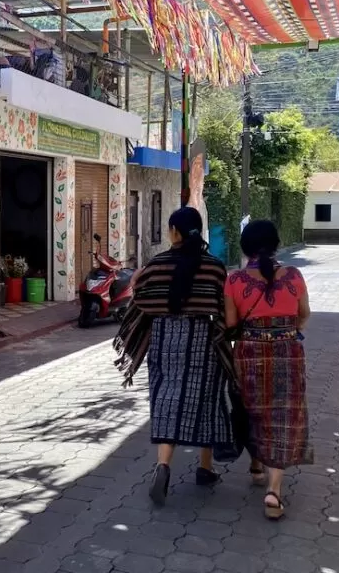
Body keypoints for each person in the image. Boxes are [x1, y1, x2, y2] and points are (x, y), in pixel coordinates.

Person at [113, 207, 232, 506]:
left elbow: (140, 299)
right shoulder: (215, 266)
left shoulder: (158, 263)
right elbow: (221, 306)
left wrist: (137, 280)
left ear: (174, 232)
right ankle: (206, 468)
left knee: (166, 398)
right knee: (207, 400)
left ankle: (163, 465)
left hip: (166, 340)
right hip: (203, 340)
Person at [224, 220, 312, 520]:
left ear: (245, 247)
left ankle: (256, 464)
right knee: (283, 416)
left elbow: (231, 325)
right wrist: (286, 331)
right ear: (276, 244)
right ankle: (274, 491)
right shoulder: (295, 276)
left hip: (248, 353)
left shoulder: (234, 280)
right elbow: (304, 316)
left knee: (252, 411)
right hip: (288, 353)